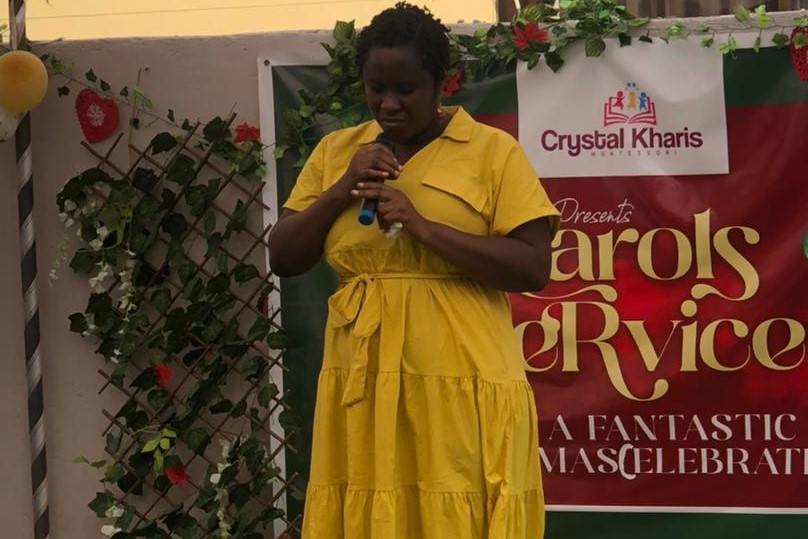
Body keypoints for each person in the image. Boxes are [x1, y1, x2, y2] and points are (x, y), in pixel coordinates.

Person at [268, 3, 559, 537]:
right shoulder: (339, 152)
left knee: (456, 503)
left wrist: (424, 228)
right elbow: (284, 255)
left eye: (406, 88)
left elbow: (533, 266)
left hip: (460, 374)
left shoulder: (492, 152)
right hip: (364, 373)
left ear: (443, 82)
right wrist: (341, 188)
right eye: (376, 88)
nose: (389, 103)